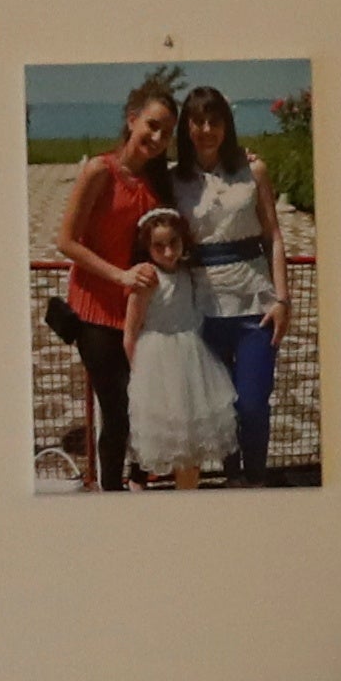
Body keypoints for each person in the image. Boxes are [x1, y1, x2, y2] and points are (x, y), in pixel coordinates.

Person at [46, 78, 180, 490]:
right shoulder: (99, 171)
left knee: (146, 404)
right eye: (152, 126)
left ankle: (141, 479)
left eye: (166, 132)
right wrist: (119, 275)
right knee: (118, 410)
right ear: (132, 120)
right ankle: (111, 492)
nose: (157, 138)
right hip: (94, 311)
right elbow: (66, 241)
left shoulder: (158, 182)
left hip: (138, 313)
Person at [171, 83, 288, 483]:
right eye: (198, 121)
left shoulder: (252, 170)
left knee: (253, 404)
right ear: (187, 128)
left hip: (255, 304)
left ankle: (254, 479)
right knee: (218, 408)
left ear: (226, 125)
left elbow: (273, 235)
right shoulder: (174, 181)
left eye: (214, 121)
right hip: (201, 308)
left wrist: (283, 299)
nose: (206, 129)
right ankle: (232, 479)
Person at [123, 207, 231, 486]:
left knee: (192, 435)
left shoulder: (187, 272)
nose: (168, 252)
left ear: (183, 241)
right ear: (147, 247)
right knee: (158, 432)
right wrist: (138, 372)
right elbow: (130, 331)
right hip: (156, 360)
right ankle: (138, 485)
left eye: (174, 243)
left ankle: (187, 492)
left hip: (191, 357)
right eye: (159, 246)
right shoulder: (146, 279)